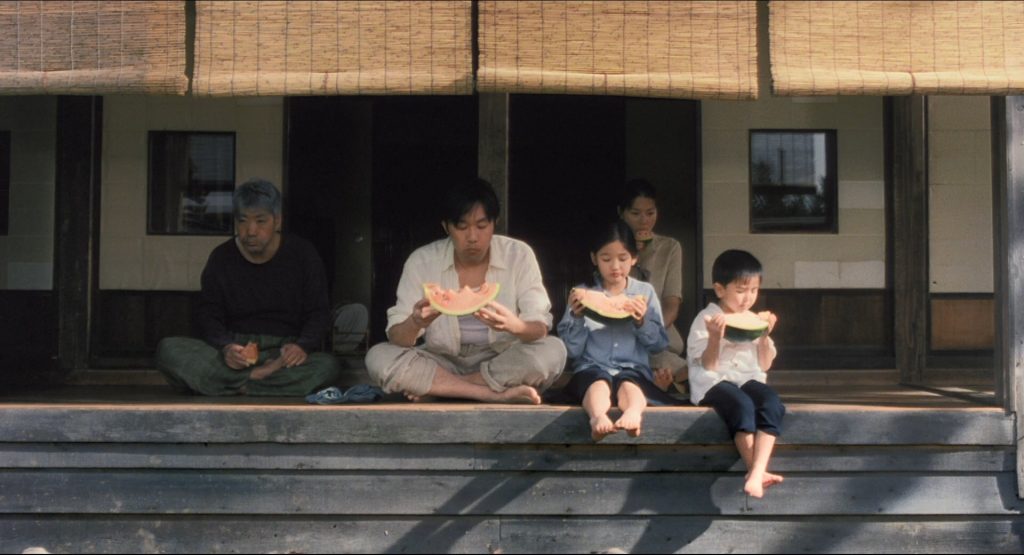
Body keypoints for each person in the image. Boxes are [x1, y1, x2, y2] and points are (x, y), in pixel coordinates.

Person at [364, 178, 566, 404]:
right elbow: (396, 337)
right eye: (461, 227)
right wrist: (415, 323)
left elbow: (539, 328)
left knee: (553, 350)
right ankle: (490, 393)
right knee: (378, 356)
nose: (472, 237)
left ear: (494, 223)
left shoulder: (518, 255)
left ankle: (445, 388)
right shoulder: (421, 261)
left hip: (500, 358)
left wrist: (515, 326)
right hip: (440, 361)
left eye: (481, 226)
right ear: (446, 227)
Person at [156, 178, 340, 396]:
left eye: (260, 221)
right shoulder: (221, 257)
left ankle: (228, 384)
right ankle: (252, 380)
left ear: (277, 221)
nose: (250, 231)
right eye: (243, 221)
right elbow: (208, 313)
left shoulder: (302, 254)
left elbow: (318, 312)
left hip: (282, 353)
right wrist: (226, 347)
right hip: (236, 351)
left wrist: (302, 346)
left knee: (328, 366)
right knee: (168, 350)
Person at [557, 221, 676, 442]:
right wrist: (576, 317)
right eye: (606, 259)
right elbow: (572, 351)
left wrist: (642, 322)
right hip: (591, 367)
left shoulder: (644, 293)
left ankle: (633, 413)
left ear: (634, 258)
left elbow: (659, 345)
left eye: (622, 259)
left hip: (633, 369)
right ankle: (597, 417)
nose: (615, 266)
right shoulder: (581, 294)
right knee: (597, 383)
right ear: (594, 258)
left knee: (630, 384)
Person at [687, 249, 784, 498]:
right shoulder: (706, 318)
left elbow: (764, 366)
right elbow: (709, 366)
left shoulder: (753, 319)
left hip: (747, 378)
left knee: (772, 402)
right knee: (742, 406)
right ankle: (754, 470)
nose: (747, 298)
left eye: (753, 290)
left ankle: (758, 470)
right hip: (713, 381)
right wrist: (715, 338)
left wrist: (764, 335)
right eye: (741, 291)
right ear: (720, 290)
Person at [617, 179, 688, 395]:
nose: (644, 221)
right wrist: (631, 254)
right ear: (621, 213)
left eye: (650, 213)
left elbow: (671, 302)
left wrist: (650, 332)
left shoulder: (670, 247)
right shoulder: (611, 247)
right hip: (619, 338)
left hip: (659, 341)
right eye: (636, 214)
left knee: (674, 364)